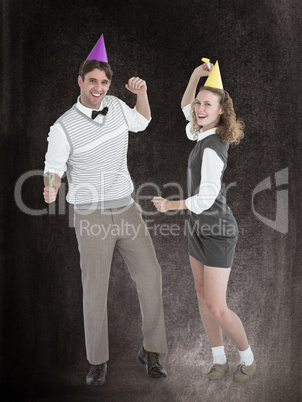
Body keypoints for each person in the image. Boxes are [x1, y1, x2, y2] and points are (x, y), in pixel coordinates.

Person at [43, 35, 168, 386]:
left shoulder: (115, 105)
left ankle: (153, 352)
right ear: (80, 81)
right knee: (95, 288)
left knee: (151, 276)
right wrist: (51, 185)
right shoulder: (63, 125)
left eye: (104, 81)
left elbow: (142, 121)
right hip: (90, 216)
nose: (99, 87)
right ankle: (97, 362)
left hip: (127, 209)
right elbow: (54, 164)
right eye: (92, 81)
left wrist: (141, 92)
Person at [152, 61, 256, 383]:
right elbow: (185, 107)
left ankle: (248, 359)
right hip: (199, 227)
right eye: (199, 102)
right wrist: (197, 77)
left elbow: (207, 198)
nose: (198, 108)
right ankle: (219, 359)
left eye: (206, 104)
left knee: (217, 306)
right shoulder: (201, 132)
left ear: (221, 111)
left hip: (218, 230)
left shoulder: (211, 147)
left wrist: (172, 205)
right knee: (200, 292)